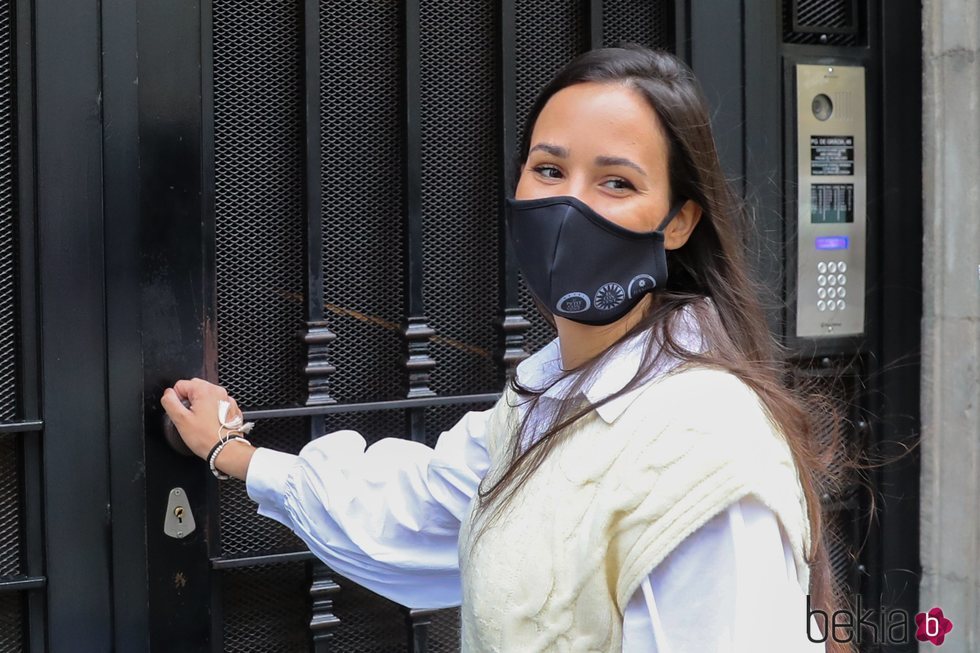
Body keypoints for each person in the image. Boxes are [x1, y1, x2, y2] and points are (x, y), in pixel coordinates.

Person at [162, 45, 848, 652]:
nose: (568, 207)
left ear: (678, 220)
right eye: (549, 169)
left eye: (616, 182)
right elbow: (420, 507)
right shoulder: (547, 403)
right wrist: (234, 453)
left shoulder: (703, 443)